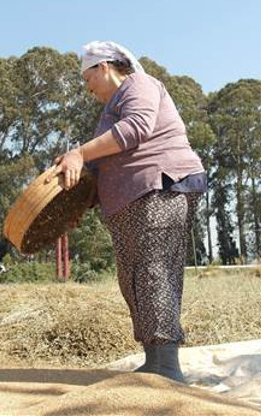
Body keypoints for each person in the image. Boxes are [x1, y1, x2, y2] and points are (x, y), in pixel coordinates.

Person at [48, 41, 207, 383]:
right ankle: (154, 359)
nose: (86, 86)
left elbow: (137, 128)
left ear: (103, 67)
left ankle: (166, 364)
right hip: (128, 201)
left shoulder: (140, 84)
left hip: (160, 186)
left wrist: (78, 153)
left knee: (154, 270)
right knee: (132, 277)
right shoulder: (107, 114)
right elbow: (102, 168)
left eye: (86, 77)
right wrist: (76, 206)